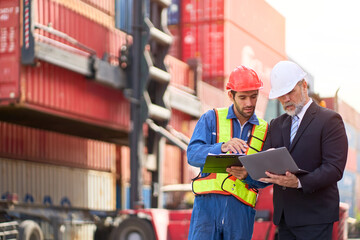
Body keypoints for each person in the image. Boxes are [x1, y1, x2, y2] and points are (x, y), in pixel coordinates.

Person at [260, 60, 348, 240]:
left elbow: (334, 168)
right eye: (281, 95)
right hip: (285, 219)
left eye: (290, 92)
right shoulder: (276, 125)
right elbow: (265, 162)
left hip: (315, 218)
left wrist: (299, 182)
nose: (285, 99)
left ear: (304, 86)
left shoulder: (330, 120)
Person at [187, 65, 269, 240]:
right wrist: (221, 147)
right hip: (206, 211)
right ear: (231, 95)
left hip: (240, 215)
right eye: (243, 97)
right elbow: (192, 154)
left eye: (254, 96)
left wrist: (248, 174)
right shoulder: (211, 119)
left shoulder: (264, 130)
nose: (249, 103)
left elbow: (268, 176)